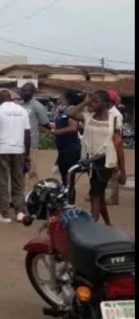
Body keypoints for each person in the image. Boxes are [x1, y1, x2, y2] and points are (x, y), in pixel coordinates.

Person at [69, 90, 126, 225]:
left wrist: (122, 170)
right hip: (90, 161)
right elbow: (70, 113)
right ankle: (108, 225)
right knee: (98, 195)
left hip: (106, 162)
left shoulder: (114, 119)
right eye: (91, 101)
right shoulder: (88, 116)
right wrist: (85, 102)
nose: (92, 104)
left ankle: (92, 224)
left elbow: (119, 145)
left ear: (105, 103)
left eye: (96, 101)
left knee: (95, 193)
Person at [0, 90, 31, 223]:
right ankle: (20, 211)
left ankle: (5, 213)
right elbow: (27, 134)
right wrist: (27, 154)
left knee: (2, 181)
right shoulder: (22, 110)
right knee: (18, 181)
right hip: (19, 150)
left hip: (2, 149)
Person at [47, 90, 84, 201]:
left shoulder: (71, 110)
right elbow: (59, 124)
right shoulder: (62, 110)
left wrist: (56, 132)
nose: (59, 97)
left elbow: (73, 128)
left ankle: (70, 203)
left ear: (66, 98)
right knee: (65, 178)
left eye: (61, 95)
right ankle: (67, 202)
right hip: (63, 148)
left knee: (69, 180)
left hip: (71, 148)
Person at [19, 83, 52, 181]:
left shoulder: (37, 106)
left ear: (32, 92)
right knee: (19, 172)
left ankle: (32, 194)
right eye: (22, 90)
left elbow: (45, 123)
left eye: (26, 90)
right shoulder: (19, 105)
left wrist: (54, 131)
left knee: (31, 171)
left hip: (31, 144)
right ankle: (20, 194)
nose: (23, 92)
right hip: (18, 144)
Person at [105, 89, 124, 206]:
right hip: (106, 143)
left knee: (114, 171)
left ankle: (114, 197)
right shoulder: (107, 112)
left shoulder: (116, 114)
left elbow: (117, 133)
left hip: (113, 143)